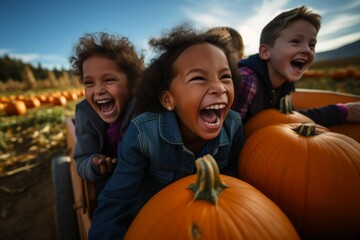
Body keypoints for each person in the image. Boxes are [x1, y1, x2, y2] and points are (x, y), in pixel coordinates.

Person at [88, 24, 244, 240]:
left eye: (225, 77)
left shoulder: (233, 125)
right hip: (152, 216)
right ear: (168, 99)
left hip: (206, 219)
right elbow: (117, 200)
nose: (219, 87)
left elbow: (234, 182)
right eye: (198, 78)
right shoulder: (144, 134)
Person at [231, 5, 360, 126]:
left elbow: (290, 120)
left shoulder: (284, 84)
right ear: (265, 52)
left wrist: (342, 111)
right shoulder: (247, 80)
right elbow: (230, 133)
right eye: (295, 41)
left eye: (312, 45)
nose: (307, 50)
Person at [69, 32, 144, 196]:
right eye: (89, 83)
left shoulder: (141, 111)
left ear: (132, 84)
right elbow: (82, 160)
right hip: (110, 183)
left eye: (109, 80)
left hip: (141, 180)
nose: (98, 90)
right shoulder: (85, 114)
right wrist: (94, 164)